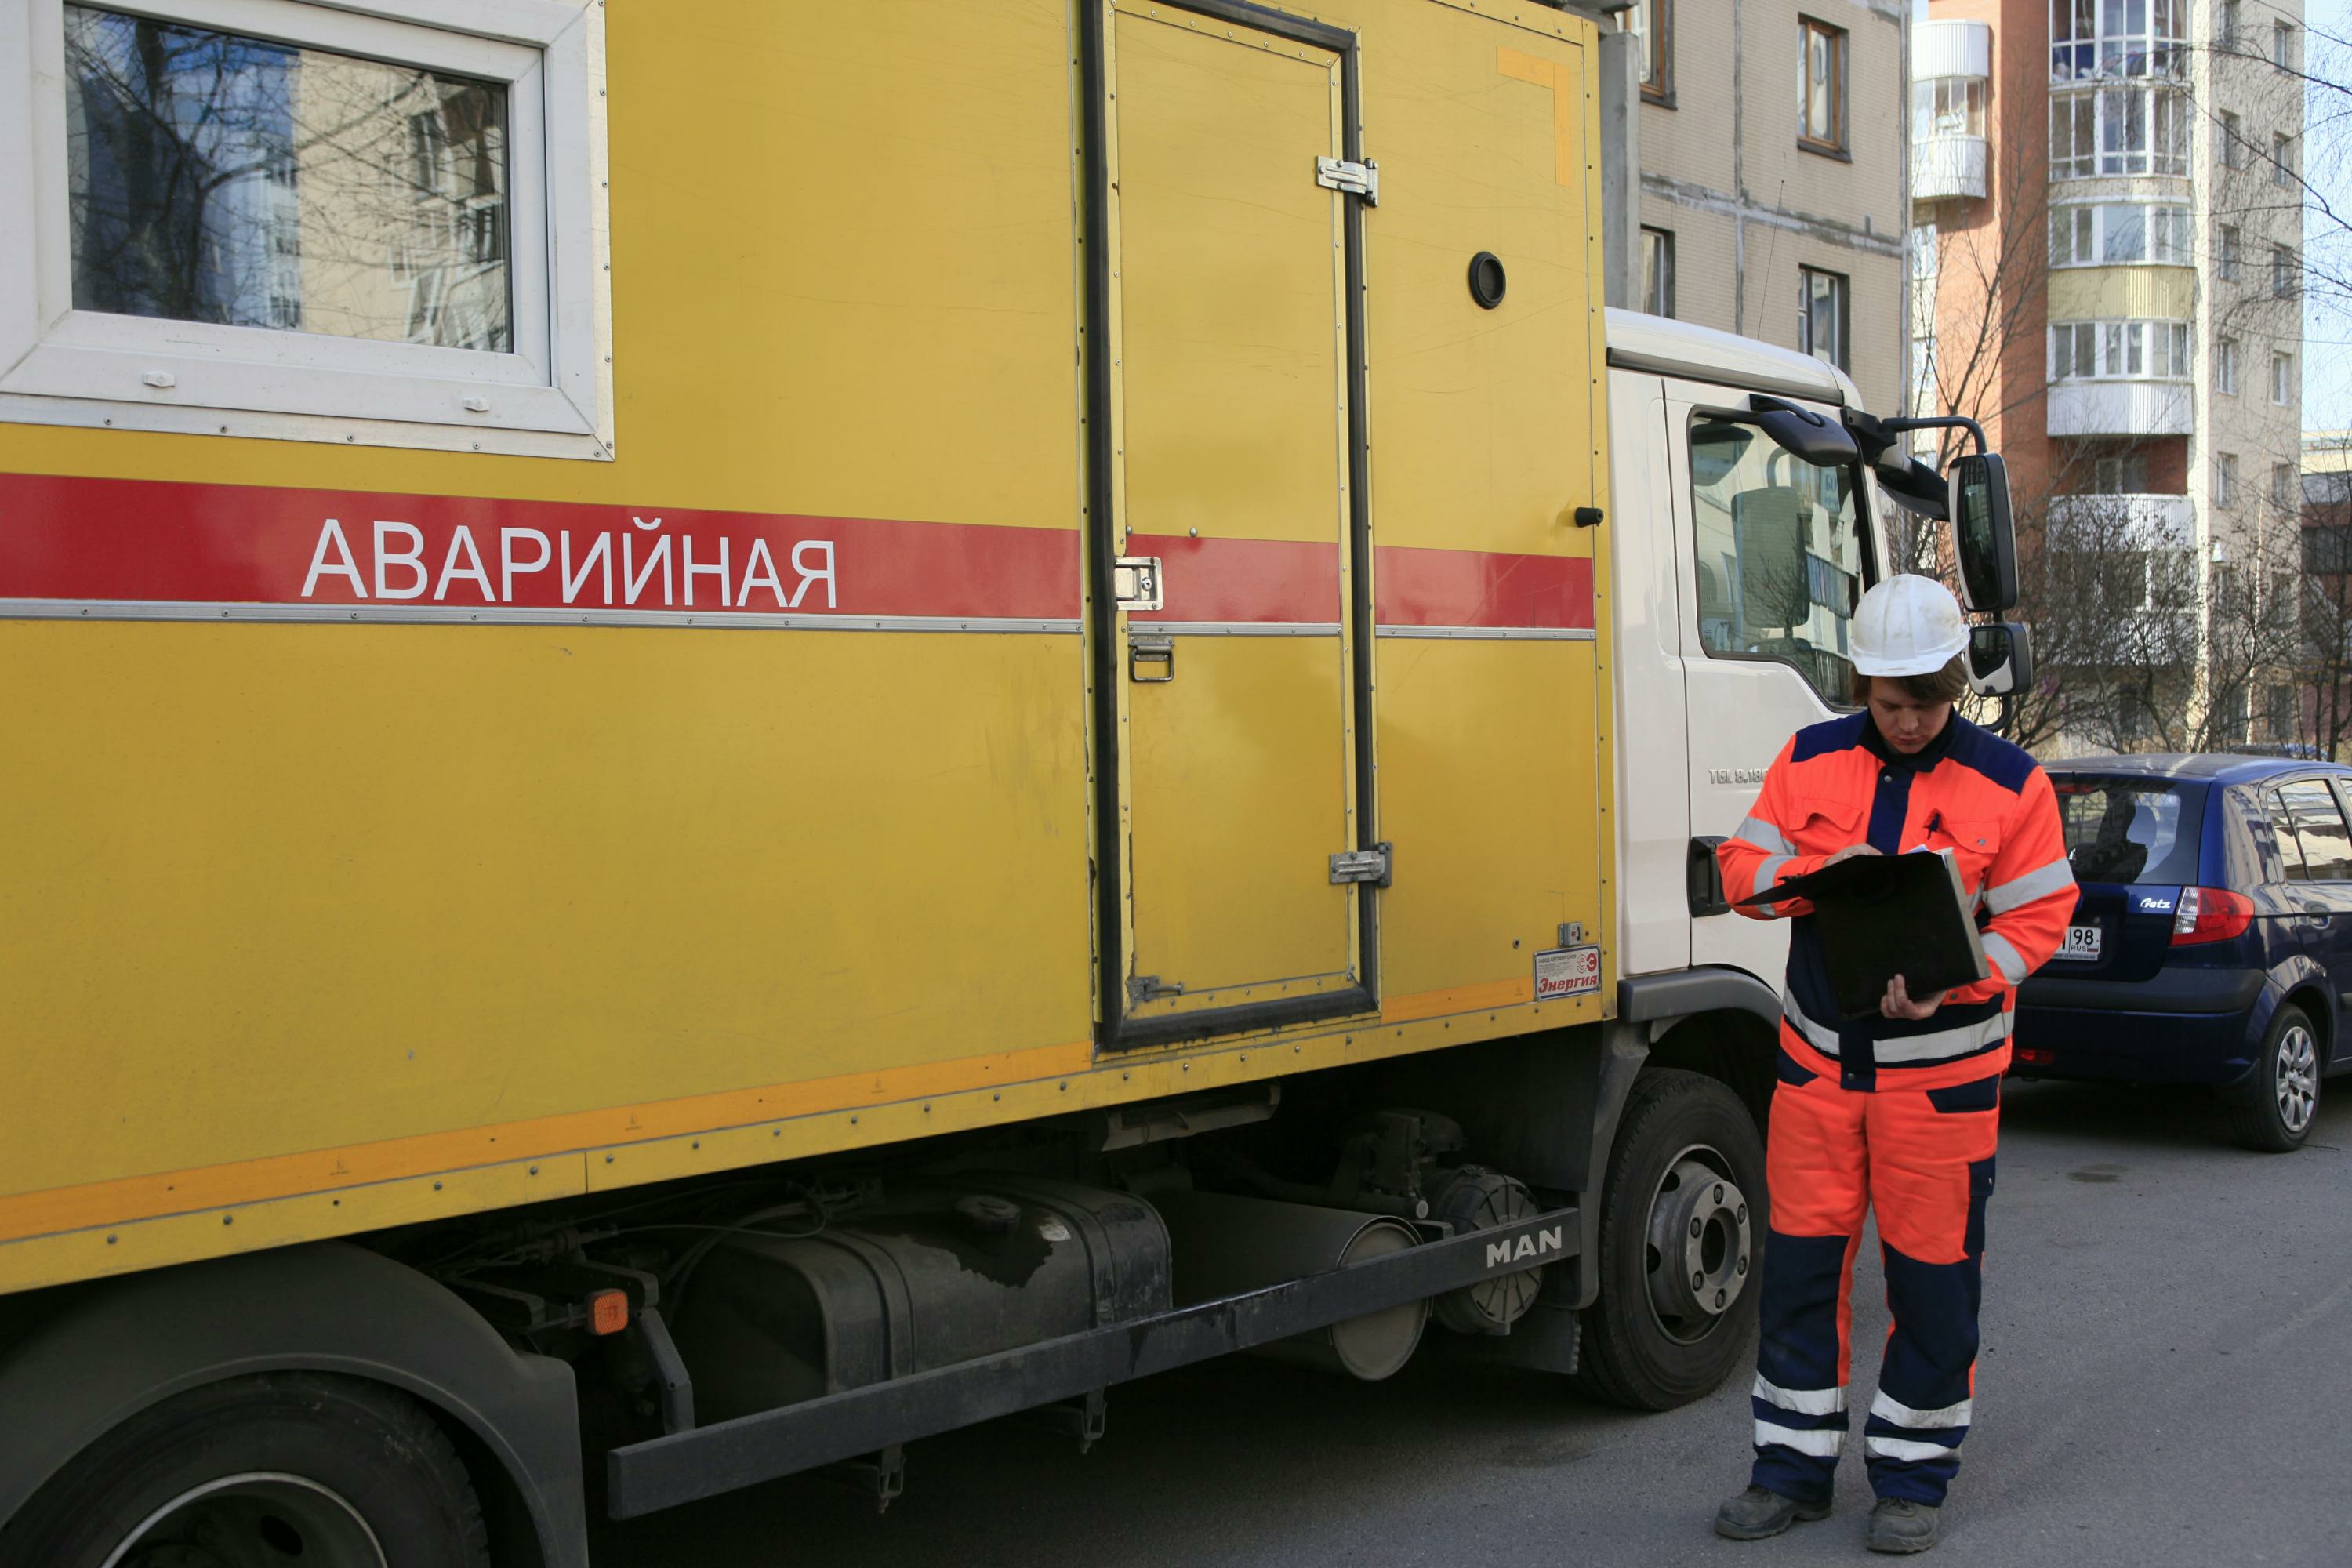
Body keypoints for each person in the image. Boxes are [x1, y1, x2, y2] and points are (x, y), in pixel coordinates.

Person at [1709, 575, 2077, 1555]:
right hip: (1818, 1073)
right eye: (1890, 702)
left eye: (1928, 701)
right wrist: (1809, 881)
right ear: (1862, 683)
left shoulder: (2012, 781)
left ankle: (1912, 1478)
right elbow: (1740, 871)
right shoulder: (1808, 758)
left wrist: (1958, 980)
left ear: (1956, 682)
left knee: (1932, 1290)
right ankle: (1788, 1472)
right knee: (1797, 1277)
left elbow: (2042, 917)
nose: (1910, 721)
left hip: (1941, 1088)